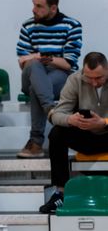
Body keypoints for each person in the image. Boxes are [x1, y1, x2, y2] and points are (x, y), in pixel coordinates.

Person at [16, 0, 82, 158]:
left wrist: (44, 58)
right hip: (32, 73)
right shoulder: (28, 25)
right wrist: (39, 58)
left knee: (36, 88)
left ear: (53, 8)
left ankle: (36, 143)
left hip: (60, 75)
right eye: (33, 4)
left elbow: (68, 64)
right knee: (34, 67)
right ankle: (50, 110)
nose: (33, 9)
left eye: (39, 6)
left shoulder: (72, 25)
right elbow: (23, 62)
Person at [40, 52, 108, 213]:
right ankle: (60, 193)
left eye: (99, 78)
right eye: (89, 78)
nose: (94, 82)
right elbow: (57, 114)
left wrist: (103, 122)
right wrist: (70, 119)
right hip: (86, 136)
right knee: (57, 133)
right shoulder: (75, 79)